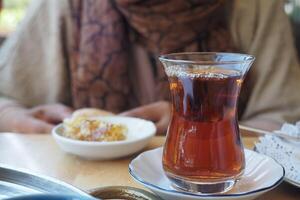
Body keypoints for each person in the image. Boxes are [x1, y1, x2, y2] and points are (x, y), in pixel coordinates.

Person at [0, 0, 300, 134]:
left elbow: (286, 126)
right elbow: (5, 100)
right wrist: (15, 119)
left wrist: (202, 124)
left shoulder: (254, 6)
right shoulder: (62, 5)